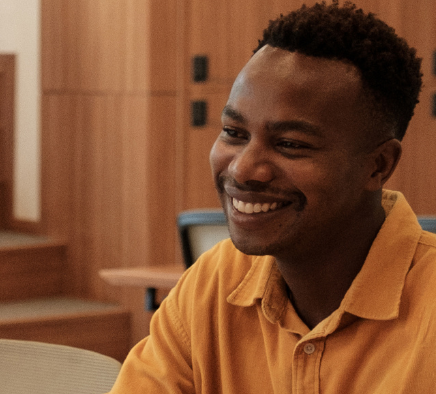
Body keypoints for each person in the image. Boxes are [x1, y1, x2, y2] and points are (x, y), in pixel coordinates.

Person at [107, 2, 431, 392]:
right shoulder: (214, 284)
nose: (243, 169)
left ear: (378, 166)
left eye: (291, 144)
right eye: (234, 132)